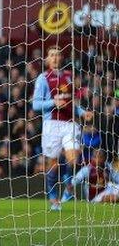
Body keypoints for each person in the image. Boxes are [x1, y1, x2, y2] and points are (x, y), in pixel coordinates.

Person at [32, 46, 93, 210]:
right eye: (52, 55)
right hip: (52, 124)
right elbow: (35, 104)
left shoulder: (68, 77)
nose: (55, 58)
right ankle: (53, 198)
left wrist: (82, 112)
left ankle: (69, 187)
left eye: (58, 55)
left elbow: (71, 102)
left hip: (70, 124)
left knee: (74, 160)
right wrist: (53, 103)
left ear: (61, 58)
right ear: (47, 59)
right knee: (53, 164)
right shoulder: (43, 78)